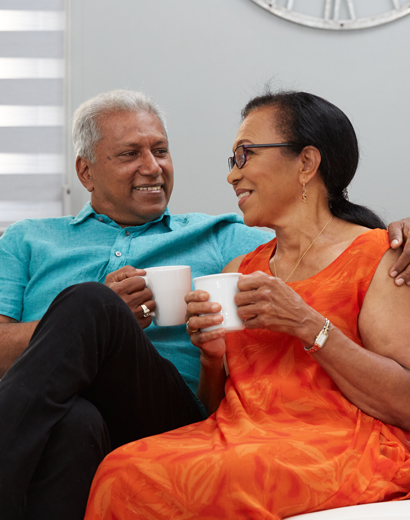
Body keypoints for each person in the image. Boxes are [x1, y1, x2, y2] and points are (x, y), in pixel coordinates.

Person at [84, 91, 410, 520]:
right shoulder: (243, 266)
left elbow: (403, 403)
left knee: (214, 477)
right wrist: (213, 358)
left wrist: (308, 324)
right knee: (121, 469)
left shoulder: (379, 254)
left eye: (245, 155)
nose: (232, 176)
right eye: (232, 160)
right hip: (241, 434)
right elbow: (228, 404)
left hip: (341, 442)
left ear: (307, 163)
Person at [0, 89, 274, 520]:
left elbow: (323, 235)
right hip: (68, 419)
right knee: (75, 423)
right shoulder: (27, 239)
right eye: (130, 153)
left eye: (160, 150)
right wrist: (94, 322)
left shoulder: (221, 235)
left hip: (168, 416)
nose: (152, 167)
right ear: (86, 172)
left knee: (91, 302)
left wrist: (396, 231)